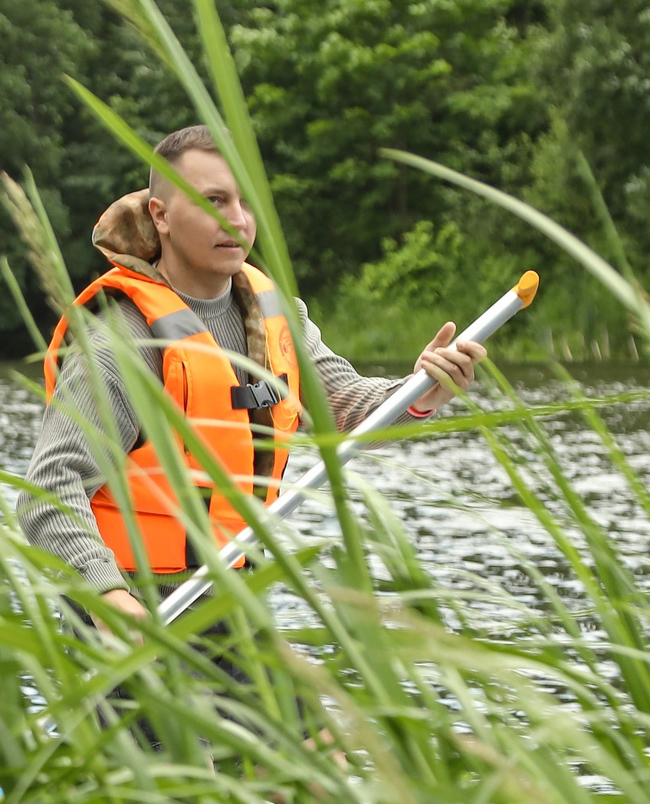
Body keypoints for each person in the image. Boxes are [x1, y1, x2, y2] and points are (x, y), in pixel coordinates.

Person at [24, 125, 483, 621]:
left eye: (245, 201)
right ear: (161, 216)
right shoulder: (123, 343)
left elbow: (345, 410)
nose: (237, 219)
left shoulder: (278, 316)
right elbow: (49, 490)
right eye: (214, 201)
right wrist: (109, 598)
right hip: (133, 609)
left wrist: (420, 392)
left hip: (235, 602)